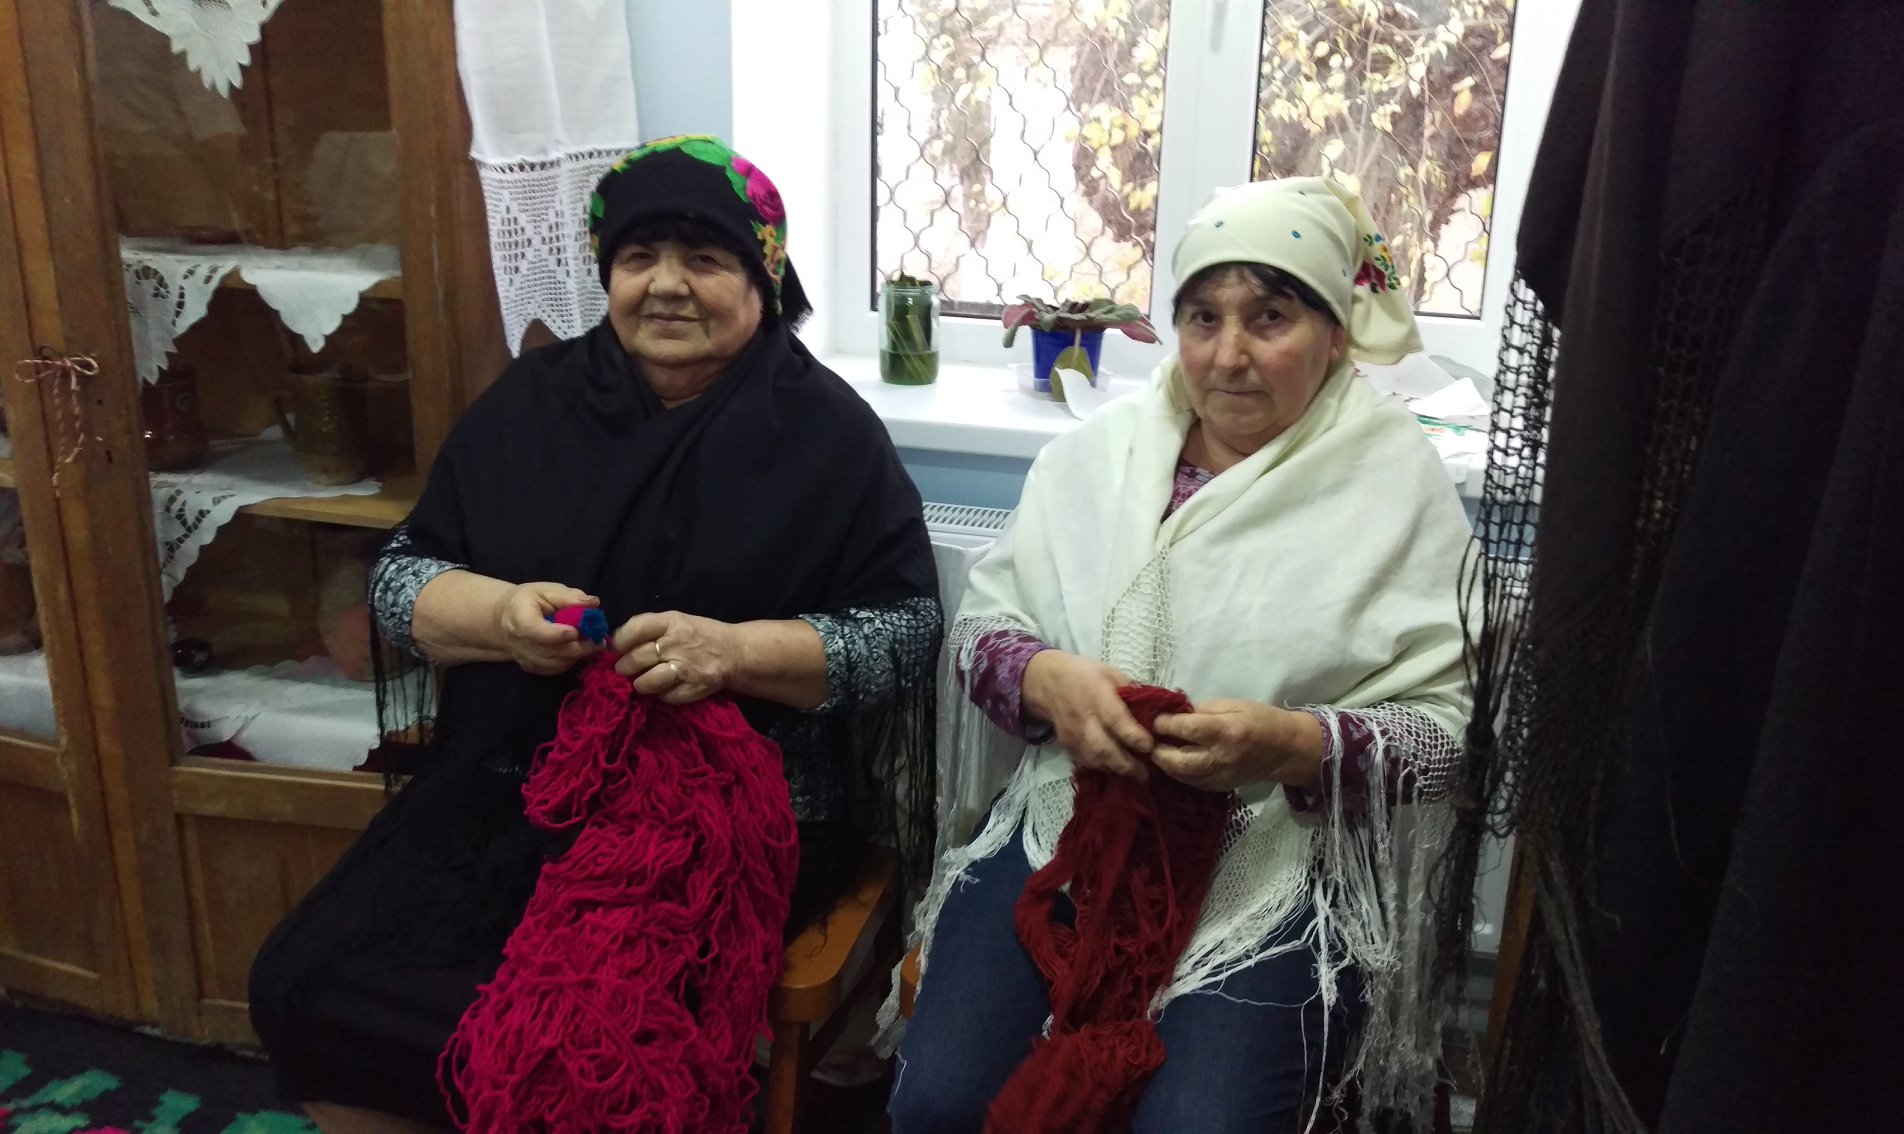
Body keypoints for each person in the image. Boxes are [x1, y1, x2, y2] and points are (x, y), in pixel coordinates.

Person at [248, 136, 940, 1134]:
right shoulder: (530, 406)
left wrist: (732, 654)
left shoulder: (826, 437)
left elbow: (905, 633)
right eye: (638, 256)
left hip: (727, 817)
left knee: (582, 1042)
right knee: (309, 987)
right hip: (510, 786)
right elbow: (402, 579)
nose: (667, 284)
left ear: (764, 276)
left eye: (705, 258)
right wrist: (501, 620)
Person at [885, 177, 1474, 1133]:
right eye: (1203, 317)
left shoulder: (1392, 483)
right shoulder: (1096, 457)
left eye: (1270, 317)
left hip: (1276, 860)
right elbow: (984, 629)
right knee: (942, 1105)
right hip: (1069, 829)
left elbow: (1446, 736)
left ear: (1334, 335)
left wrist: (1291, 743)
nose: (1228, 355)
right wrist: (1047, 680)